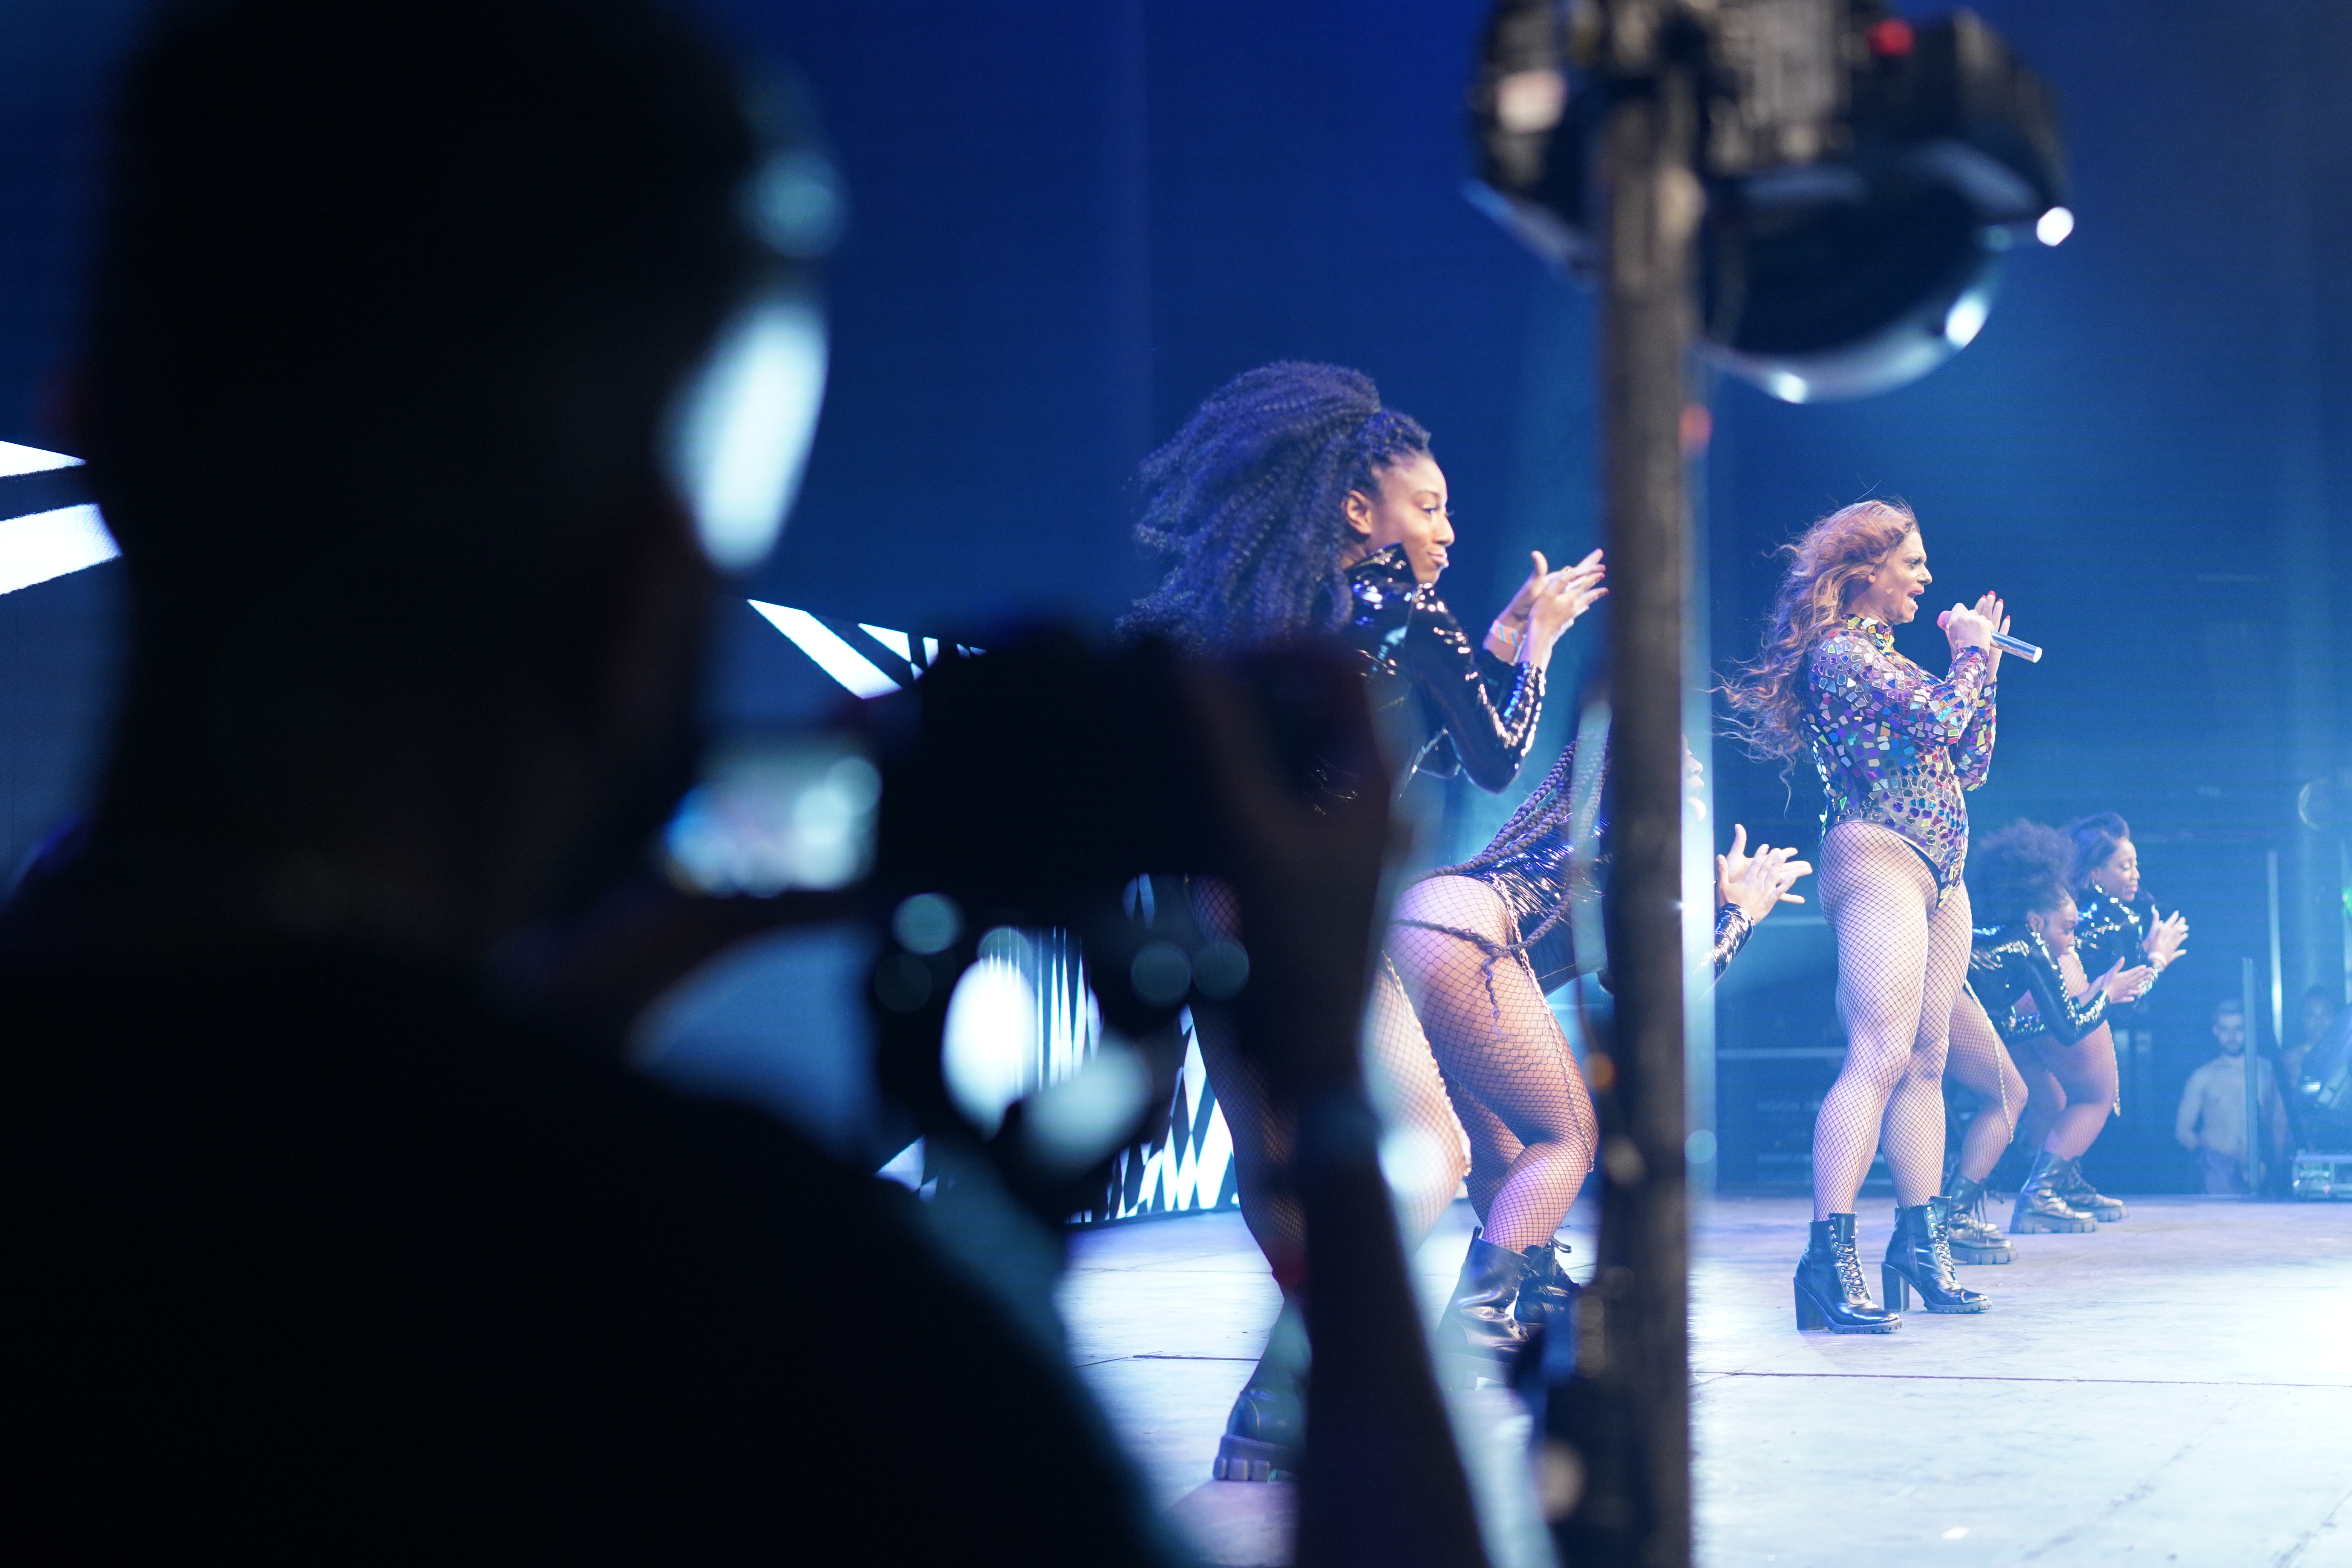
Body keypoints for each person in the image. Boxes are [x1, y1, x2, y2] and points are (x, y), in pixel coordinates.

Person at [0, 7, 1491, 1564]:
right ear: (654, 573)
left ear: (95, 435)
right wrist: (1326, 1083)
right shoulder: (739, 1305)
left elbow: (295, 1146)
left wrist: (637, 950)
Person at [1122, 360, 1601, 1482]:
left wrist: (1472, 659)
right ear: (1358, 510)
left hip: (1203, 901)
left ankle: (1283, 1411)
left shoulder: (1249, 616)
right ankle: (1287, 1383)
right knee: (1425, 1150)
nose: (1443, 526)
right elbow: (1492, 755)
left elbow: (1384, 747)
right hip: (1311, 909)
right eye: (1426, 505)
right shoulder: (1403, 604)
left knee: (1278, 1166)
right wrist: (1530, 647)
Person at [1388, 741, 1810, 1381]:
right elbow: (1662, 994)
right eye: (1681, 754)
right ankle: (1478, 1317)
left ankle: (1534, 1286)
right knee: (1572, 1136)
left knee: (1506, 1153)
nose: (1693, 765)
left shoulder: (1586, 830)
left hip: (1414, 928)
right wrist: (1741, 915)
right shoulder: (1639, 838)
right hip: (1462, 935)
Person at [1725, 499, 2003, 1333]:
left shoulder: (1901, 662)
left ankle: (1919, 1247)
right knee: (1879, 1052)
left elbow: (1971, 757)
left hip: (1943, 869)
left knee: (1928, 1054)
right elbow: (1941, 717)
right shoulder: (1843, 653)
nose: (1925, 576)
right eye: (1912, 562)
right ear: (1866, 570)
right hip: (1879, 852)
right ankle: (1827, 1259)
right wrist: (1968, 660)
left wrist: (1984, 669)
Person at [1958, 822, 2153, 1238]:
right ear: (2036, 921)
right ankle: (1973, 1211)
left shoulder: (2005, 936)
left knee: (2026, 1096)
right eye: (2068, 929)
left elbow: (2010, 1026)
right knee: (2045, 1096)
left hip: (1941, 999)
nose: (2073, 941)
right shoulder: (2037, 947)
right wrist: (2114, 989)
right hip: (1950, 1003)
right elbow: (2069, 1028)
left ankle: (1953, 1215)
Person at [2015, 812, 2190, 1220]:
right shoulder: (2118, 916)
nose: (2134, 875)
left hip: (2020, 995)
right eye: (2124, 866)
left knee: (2051, 1097)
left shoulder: (2060, 901)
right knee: (2096, 1096)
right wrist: (2158, 959)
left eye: (2135, 865)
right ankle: (2041, 1194)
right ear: (2095, 873)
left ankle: (2065, 1186)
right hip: (2061, 992)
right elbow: (2128, 996)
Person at [2176, 998, 2290, 1195]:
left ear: (2249, 1031)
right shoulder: (2203, 1076)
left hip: (2259, 1170)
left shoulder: (2265, 1070)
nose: (2232, 1036)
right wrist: (2213, 1162)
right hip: (2217, 1174)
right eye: (2225, 1030)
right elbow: (2183, 1131)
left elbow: (2278, 1122)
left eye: (2239, 1029)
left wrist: (2274, 1165)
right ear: (2216, 1032)